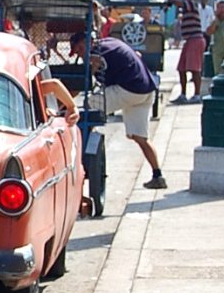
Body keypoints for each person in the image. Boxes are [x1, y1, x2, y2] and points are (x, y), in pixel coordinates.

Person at [70, 32, 166, 190]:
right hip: (147, 89)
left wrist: (63, 103)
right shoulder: (111, 42)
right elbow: (137, 54)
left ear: (86, 43)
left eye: (80, 50)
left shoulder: (96, 54)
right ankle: (158, 175)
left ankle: (86, 150)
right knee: (140, 137)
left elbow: (85, 83)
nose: (81, 55)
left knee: (90, 103)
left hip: (130, 89)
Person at [171, 0, 205, 104]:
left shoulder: (191, 4)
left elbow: (174, 1)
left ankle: (196, 94)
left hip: (195, 39)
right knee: (181, 68)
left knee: (195, 69)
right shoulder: (187, 5)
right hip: (189, 40)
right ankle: (183, 94)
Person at [206, 0, 224, 79]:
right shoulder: (214, 20)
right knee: (218, 71)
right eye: (220, 8)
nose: (222, 10)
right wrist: (216, 21)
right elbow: (209, 32)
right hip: (218, 48)